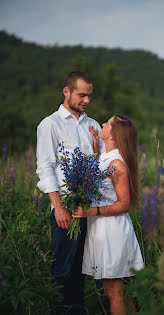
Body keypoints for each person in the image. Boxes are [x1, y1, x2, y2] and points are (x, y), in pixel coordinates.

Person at [36, 71, 105, 314]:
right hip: (65, 206)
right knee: (63, 269)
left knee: (80, 270)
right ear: (66, 91)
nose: (86, 100)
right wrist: (59, 207)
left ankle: (77, 310)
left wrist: (97, 153)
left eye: (89, 95)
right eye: (81, 95)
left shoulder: (93, 125)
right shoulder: (50, 124)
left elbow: (99, 167)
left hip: (88, 206)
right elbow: (45, 167)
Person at [72, 114, 144, 315]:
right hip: (103, 227)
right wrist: (96, 149)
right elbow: (101, 178)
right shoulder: (107, 157)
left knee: (114, 291)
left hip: (113, 230)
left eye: (108, 123)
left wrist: (91, 210)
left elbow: (124, 204)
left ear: (114, 134)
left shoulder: (117, 164)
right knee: (115, 289)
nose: (102, 123)